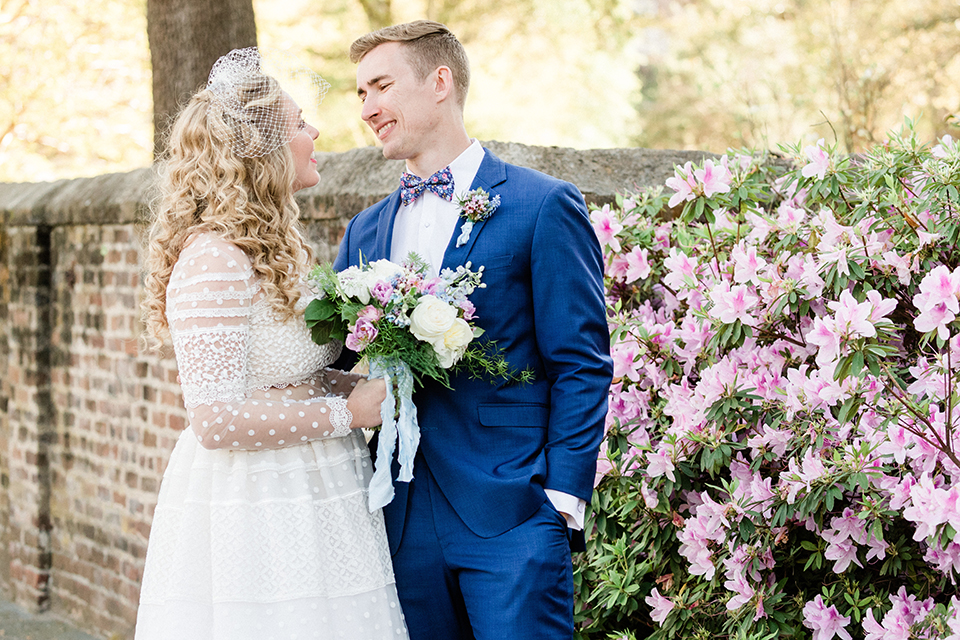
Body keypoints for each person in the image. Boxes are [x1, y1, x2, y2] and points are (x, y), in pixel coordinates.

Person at [334, 21, 613, 639]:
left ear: (440, 83)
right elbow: (329, 354)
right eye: (360, 95)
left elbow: (582, 362)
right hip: (399, 517)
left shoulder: (541, 205)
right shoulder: (365, 231)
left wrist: (561, 500)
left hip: (511, 511)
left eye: (380, 86)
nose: (368, 108)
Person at [135, 48, 409, 640]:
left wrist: (362, 385)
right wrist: (348, 411)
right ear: (260, 150)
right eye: (299, 124)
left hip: (320, 485)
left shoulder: (274, 250)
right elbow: (215, 419)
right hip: (257, 501)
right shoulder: (213, 260)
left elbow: (286, 377)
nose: (314, 133)